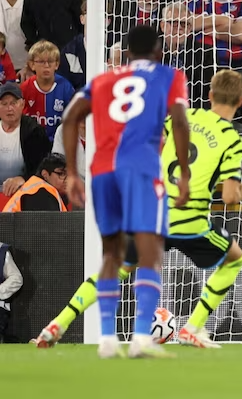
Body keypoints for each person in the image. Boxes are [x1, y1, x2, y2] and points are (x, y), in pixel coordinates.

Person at [33, 70, 242, 350]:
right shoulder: (232, 140)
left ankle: (57, 324)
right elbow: (230, 196)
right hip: (188, 221)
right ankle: (192, 328)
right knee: (234, 259)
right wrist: (239, 189)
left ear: (209, 95)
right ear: (241, 101)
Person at [59, 24, 191, 359]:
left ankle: (106, 338)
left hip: (102, 171)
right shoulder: (169, 75)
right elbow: (178, 120)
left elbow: (71, 117)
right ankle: (141, 337)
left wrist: (72, 172)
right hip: (142, 169)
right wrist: (185, 173)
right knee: (149, 251)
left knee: (111, 254)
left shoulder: (103, 80)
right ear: (158, 50)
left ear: (127, 52)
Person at [2, 152, 68, 212]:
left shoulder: (38, 187)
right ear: (45, 174)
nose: (67, 180)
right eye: (61, 174)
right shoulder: (41, 193)